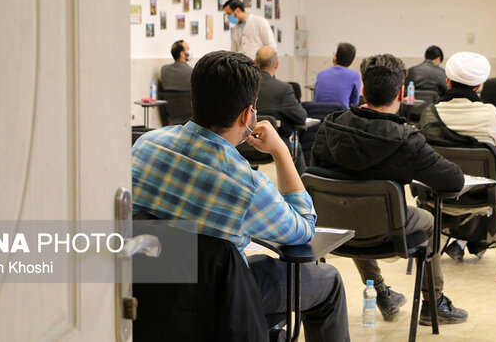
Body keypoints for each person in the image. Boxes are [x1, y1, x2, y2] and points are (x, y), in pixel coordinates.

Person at [132, 51, 350, 342]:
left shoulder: (145, 145)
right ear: (247, 114)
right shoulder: (247, 186)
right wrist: (281, 151)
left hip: (145, 290)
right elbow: (303, 229)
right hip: (219, 302)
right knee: (329, 280)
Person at [311, 53, 468, 326]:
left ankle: (382, 292)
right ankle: (433, 303)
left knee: (351, 203)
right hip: (388, 231)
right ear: (400, 92)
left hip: (337, 230)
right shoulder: (407, 141)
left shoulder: (330, 127)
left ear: (362, 89)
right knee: (427, 219)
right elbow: (453, 181)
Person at [419, 52, 496, 261]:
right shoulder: (491, 114)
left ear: (447, 81)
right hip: (481, 195)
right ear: (479, 86)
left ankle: (462, 241)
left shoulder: (430, 113)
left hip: (437, 192)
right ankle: (468, 241)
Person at [255, 46, 308, 174]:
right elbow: (301, 117)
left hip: (245, 146)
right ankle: (302, 190)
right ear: (277, 64)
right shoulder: (283, 89)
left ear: (255, 63)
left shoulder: (244, 86)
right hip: (273, 147)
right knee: (297, 148)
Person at [314, 42, 361, 107]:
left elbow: (316, 98)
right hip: (341, 114)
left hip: (318, 113)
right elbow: (354, 103)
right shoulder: (355, 76)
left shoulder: (321, 74)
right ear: (352, 60)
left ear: (335, 57)